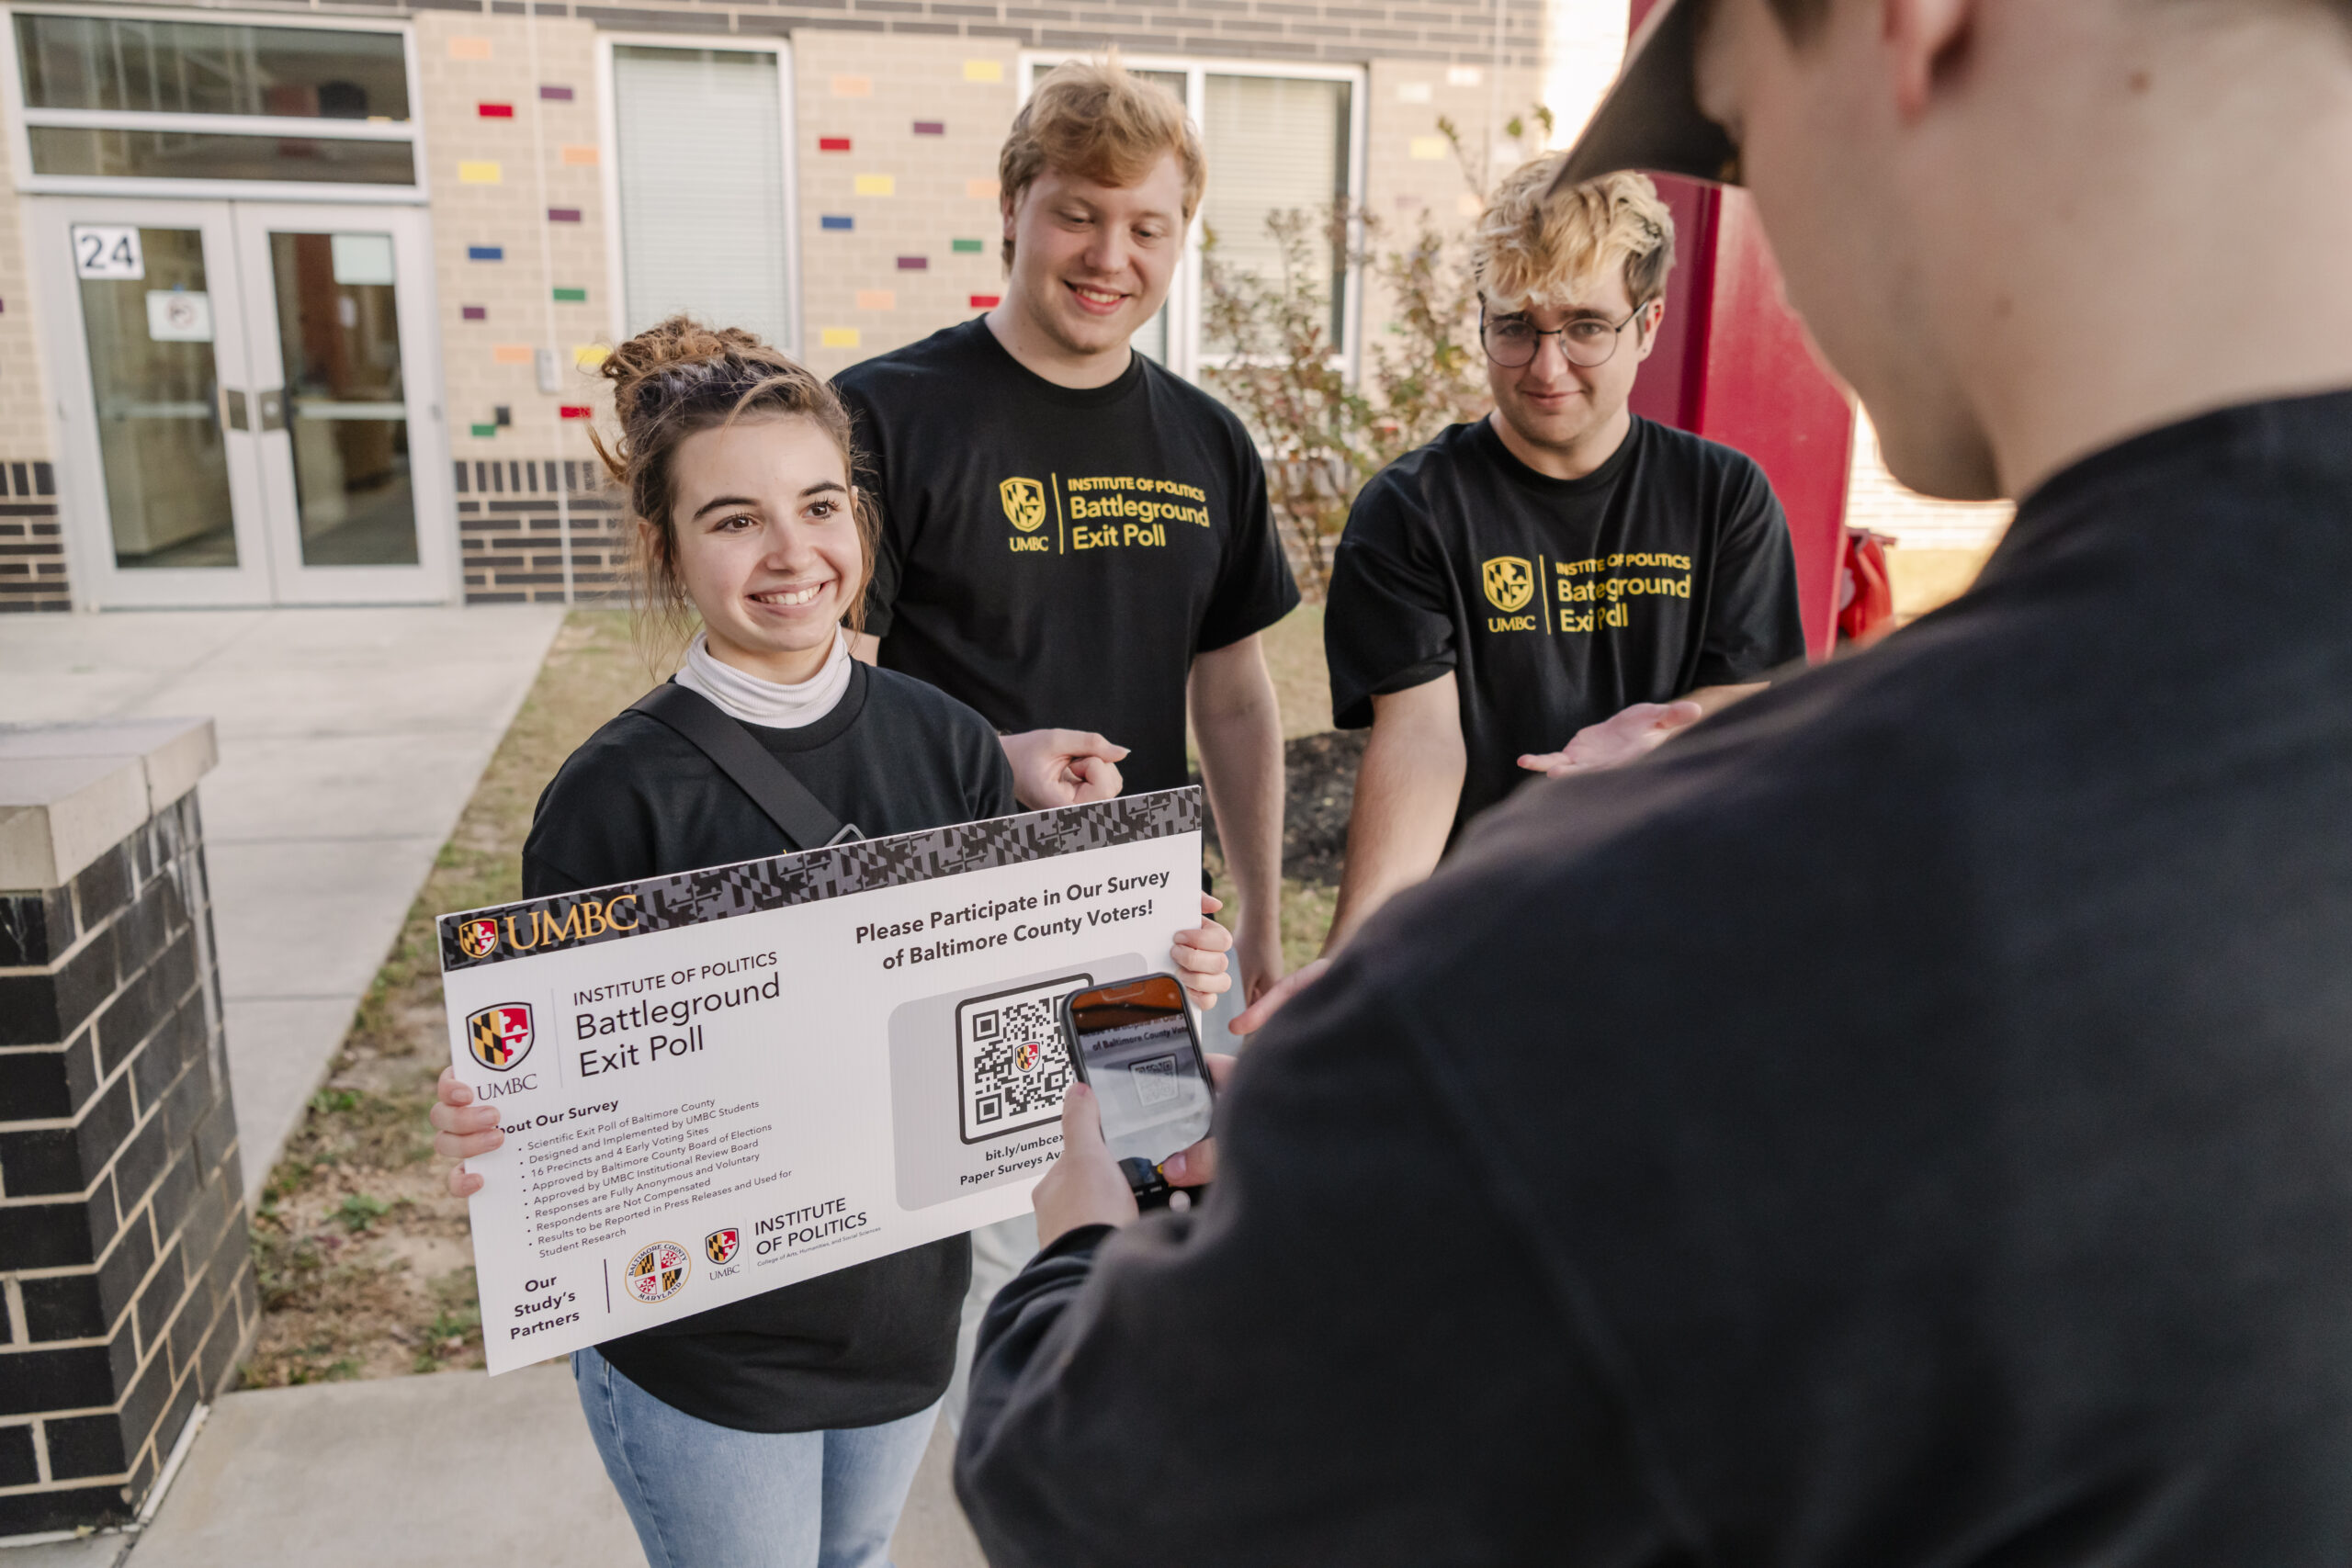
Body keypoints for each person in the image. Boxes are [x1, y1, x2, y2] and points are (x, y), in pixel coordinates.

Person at [950, 0, 2352, 1561]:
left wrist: (1082, 1239)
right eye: (1513, 327)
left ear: (1912, 26)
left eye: (1740, 135)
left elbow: (1095, 1483)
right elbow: (1428, 738)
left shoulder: (1588, 975)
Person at [424, 318, 1230, 1568]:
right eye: (734, 517)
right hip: (710, 1341)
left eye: (818, 504)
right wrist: (499, 1120)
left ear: (859, 517)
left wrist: (1154, 987)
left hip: (906, 1311)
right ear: (666, 549)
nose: (792, 551)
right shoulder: (616, 795)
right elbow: (547, 1078)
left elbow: (1013, 1002)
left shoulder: (949, 740)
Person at [833, 58, 1298, 1006]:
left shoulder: (1210, 440)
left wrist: (1260, 909)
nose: (1107, 256)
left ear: (1179, 241)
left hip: (1151, 927)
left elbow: (1236, 700)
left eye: (1145, 228)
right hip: (938, 921)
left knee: (1145, 1157)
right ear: (1012, 208)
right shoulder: (882, 418)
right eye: (1078, 214)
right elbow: (839, 696)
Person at [1318, 160, 1804, 952]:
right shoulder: (1412, 510)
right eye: (1516, 325)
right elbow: (1421, 742)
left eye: (1585, 325)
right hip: (1478, 932)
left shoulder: (1723, 496)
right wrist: (1354, 956)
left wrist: (1665, 741)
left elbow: (1743, 703)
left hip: (1672, 922)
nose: (1546, 367)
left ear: (1646, 325)